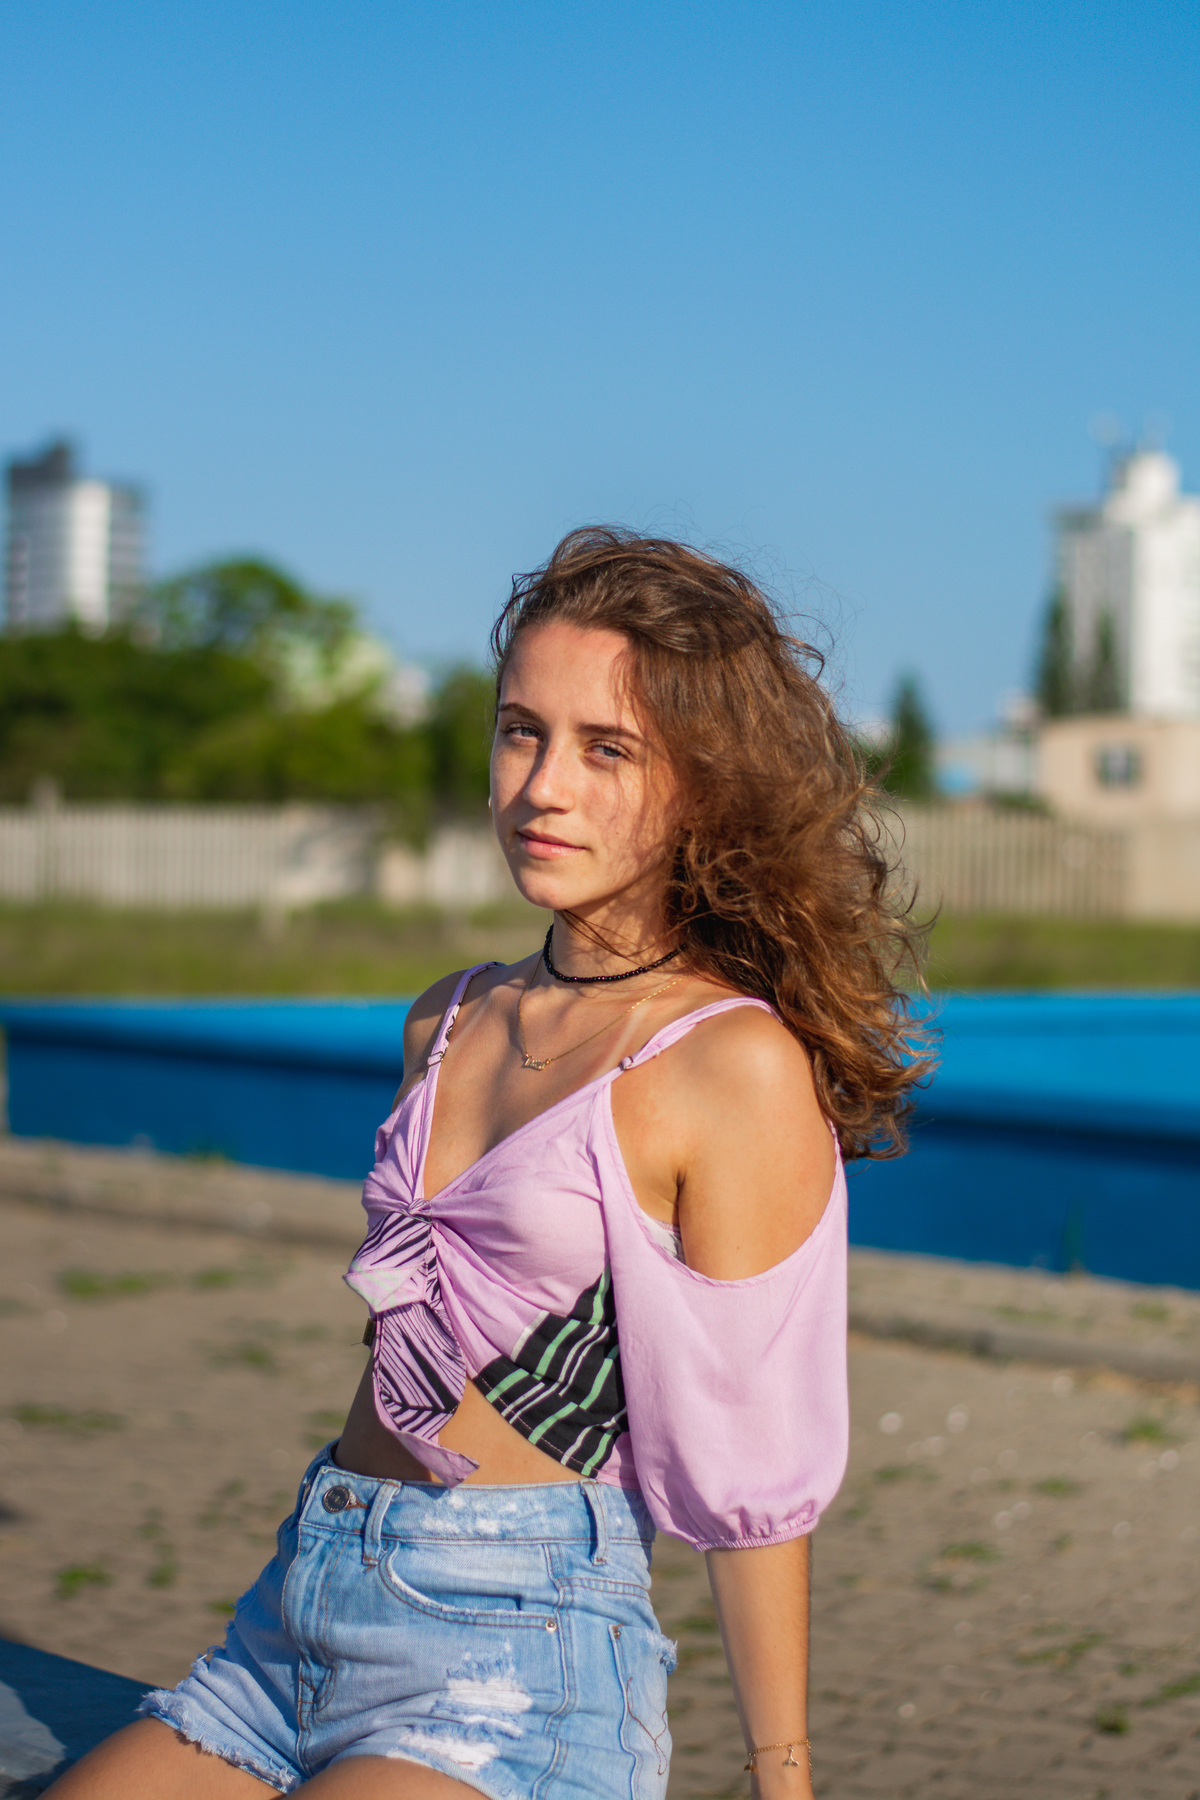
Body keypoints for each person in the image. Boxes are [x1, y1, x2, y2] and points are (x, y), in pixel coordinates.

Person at [51, 530, 927, 1800]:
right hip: (297, 1609)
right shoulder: (444, 1020)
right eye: (522, 732)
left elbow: (756, 1467)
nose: (543, 787)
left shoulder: (725, 1064)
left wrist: (780, 1772)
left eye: (605, 747)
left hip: (516, 1650)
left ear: (704, 784)